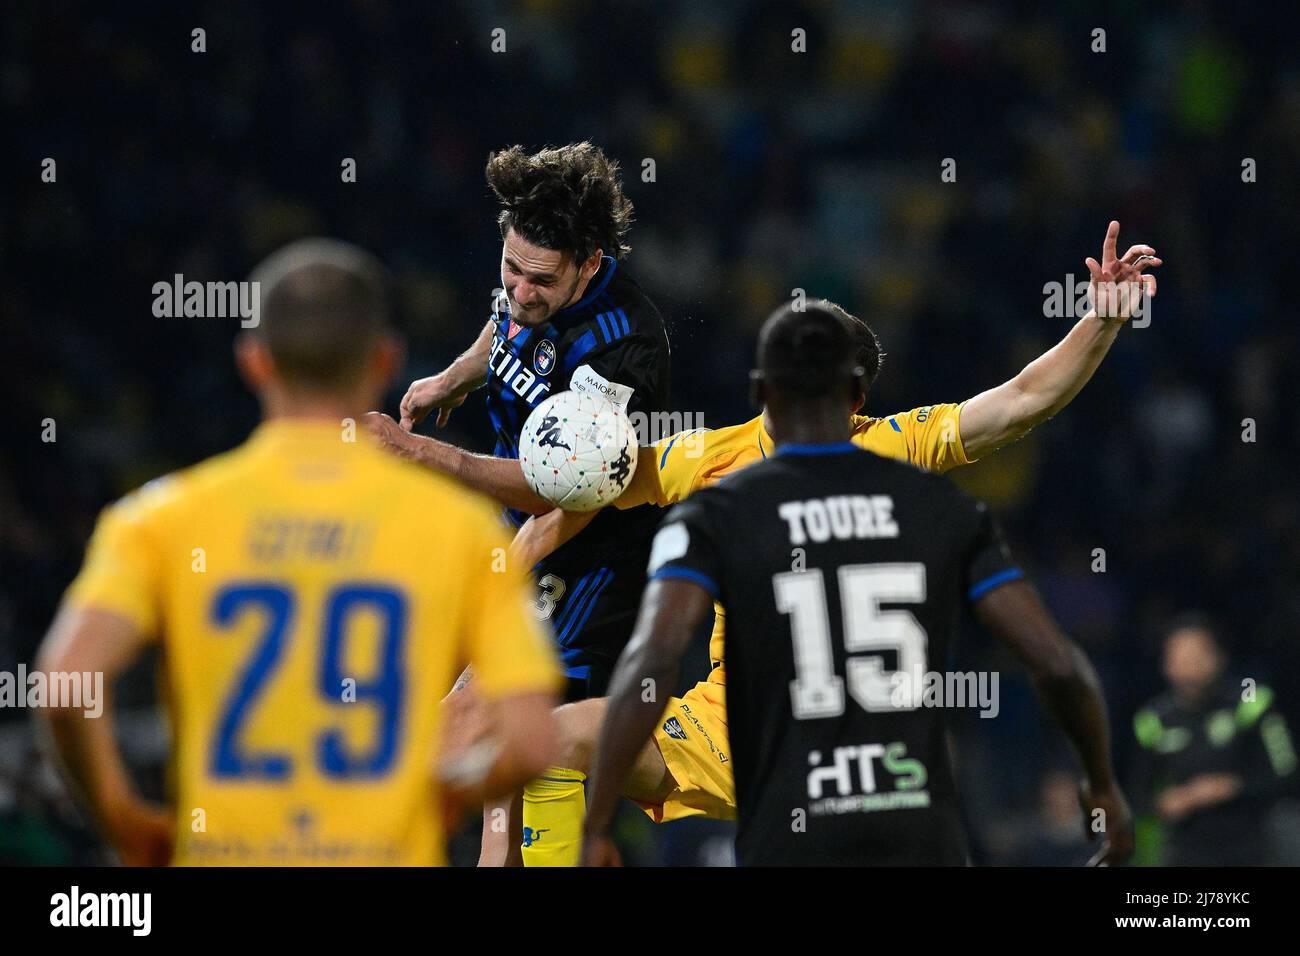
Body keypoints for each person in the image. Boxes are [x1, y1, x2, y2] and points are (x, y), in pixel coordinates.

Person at [493, 223, 1158, 860]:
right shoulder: (906, 470)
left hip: (763, 741)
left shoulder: (718, 479)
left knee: (552, 744)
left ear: (763, 386)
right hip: (867, 764)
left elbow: (584, 492)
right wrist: (1099, 323)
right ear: (858, 391)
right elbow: (1020, 401)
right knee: (554, 743)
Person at [34, 238, 561, 866]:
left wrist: (122, 819)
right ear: (385, 363)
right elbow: (532, 740)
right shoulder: (462, 530)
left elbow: (64, 682)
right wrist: (449, 794)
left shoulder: (162, 518)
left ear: (254, 362)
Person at [366, 142, 672, 866]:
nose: (521, 290)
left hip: (586, 563)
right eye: (511, 268)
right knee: (508, 779)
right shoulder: (528, 277)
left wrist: (420, 453)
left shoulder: (624, 348)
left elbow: (566, 495)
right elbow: (504, 325)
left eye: (541, 280)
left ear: (590, 264)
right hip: (523, 537)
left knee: (461, 732)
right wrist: (452, 378)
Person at [1131, 616, 1297, 865]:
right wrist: (1166, 802)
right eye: (1180, 655)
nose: (1190, 663)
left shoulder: (1252, 703)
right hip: (1187, 847)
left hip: (1254, 842)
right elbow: (1136, 793)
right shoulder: (1153, 719)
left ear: (1220, 657)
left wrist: (1230, 787)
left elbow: (1287, 773)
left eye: (1198, 653)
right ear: (1166, 664)